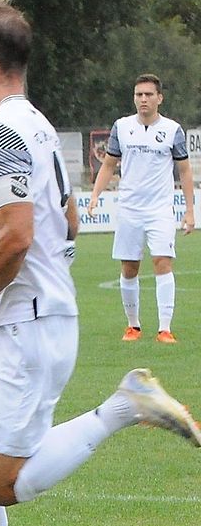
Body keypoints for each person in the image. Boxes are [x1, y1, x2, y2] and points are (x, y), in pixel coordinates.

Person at [0, 0, 199, 526]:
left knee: (1, 484)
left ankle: (125, 406)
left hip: (26, 327)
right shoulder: (39, 127)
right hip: (11, 314)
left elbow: (21, 234)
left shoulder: (1, 132)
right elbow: (67, 222)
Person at [87, 73, 195, 344]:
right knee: (129, 267)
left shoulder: (172, 129)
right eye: (138, 95)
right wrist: (95, 194)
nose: (143, 99)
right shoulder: (122, 127)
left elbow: (184, 170)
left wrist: (191, 210)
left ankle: (165, 329)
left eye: (148, 94)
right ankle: (133, 326)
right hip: (129, 209)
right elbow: (109, 165)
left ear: (160, 98)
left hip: (159, 209)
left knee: (162, 261)